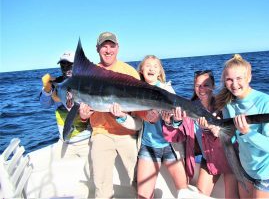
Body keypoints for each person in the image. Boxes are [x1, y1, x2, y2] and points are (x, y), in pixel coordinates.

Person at [109, 55, 188, 199]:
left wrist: (173, 121)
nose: (151, 68)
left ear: (160, 72)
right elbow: (137, 124)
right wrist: (121, 117)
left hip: (171, 147)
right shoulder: (135, 92)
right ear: (141, 70)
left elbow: (179, 123)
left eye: (155, 66)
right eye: (148, 65)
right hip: (148, 146)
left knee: (184, 191)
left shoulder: (167, 90)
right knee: (143, 196)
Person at [215, 54, 269, 199]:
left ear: (249, 77)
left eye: (239, 78)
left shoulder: (266, 102)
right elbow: (233, 140)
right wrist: (220, 132)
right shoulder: (228, 105)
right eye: (229, 79)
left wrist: (247, 132)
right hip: (246, 171)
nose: (234, 84)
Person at [79, 32, 141, 198]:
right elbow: (82, 112)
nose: (108, 50)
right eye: (104, 46)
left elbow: (139, 110)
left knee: (139, 181)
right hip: (101, 134)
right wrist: (83, 116)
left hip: (127, 133)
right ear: (97, 49)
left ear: (118, 48)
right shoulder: (89, 74)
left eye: (111, 46)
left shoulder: (129, 71)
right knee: (101, 185)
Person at [161, 70, 239, 198]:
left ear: (213, 86)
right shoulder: (187, 107)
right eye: (198, 86)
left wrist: (209, 130)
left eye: (206, 85)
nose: (202, 89)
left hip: (228, 157)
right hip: (208, 159)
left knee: (231, 196)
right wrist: (171, 123)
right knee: (200, 195)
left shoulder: (223, 107)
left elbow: (232, 137)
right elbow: (176, 137)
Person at [39, 51, 93, 196]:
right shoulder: (56, 84)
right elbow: (45, 104)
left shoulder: (86, 82)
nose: (67, 67)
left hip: (86, 141)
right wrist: (46, 90)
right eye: (63, 63)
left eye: (70, 64)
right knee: (62, 182)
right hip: (64, 142)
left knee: (90, 180)